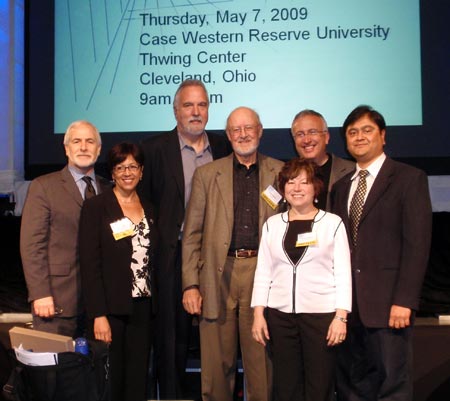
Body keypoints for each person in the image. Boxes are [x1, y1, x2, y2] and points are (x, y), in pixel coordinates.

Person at [182, 107, 284, 401]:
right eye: (236, 130)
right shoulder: (206, 175)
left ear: (260, 130)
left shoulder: (280, 172)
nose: (243, 134)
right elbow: (192, 235)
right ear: (228, 135)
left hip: (263, 277)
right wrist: (191, 284)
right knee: (216, 367)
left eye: (248, 128)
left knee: (261, 365)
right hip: (218, 273)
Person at [331, 105, 432, 400]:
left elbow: (417, 245)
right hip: (349, 309)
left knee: (392, 385)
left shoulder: (408, 178)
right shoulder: (340, 187)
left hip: (389, 306)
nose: (359, 137)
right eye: (352, 132)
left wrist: (405, 300)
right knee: (351, 384)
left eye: (367, 130)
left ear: (383, 136)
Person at [139, 79, 230, 399]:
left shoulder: (224, 147)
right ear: (176, 110)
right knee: (171, 338)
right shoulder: (153, 151)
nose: (196, 112)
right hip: (172, 256)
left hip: (218, 255)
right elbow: (144, 206)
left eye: (202, 105)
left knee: (220, 332)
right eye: (189, 105)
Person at [251, 158, 352, 401]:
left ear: (315, 188)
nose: (297, 188)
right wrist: (257, 315)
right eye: (291, 182)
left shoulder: (332, 224)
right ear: (283, 188)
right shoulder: (272, 225)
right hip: (280, 318)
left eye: (304, 182)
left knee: (319, 386)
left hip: (321, 318)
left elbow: (343, 273)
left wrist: (341, 317)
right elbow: (263, 271)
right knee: (286, 387)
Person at [79, 142, 157, 401]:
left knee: (137, 380)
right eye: (120, 167)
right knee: (112, 383)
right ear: (112, 172)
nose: (127, 172)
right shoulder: (96, 207)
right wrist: (98, 315)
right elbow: (90, 265)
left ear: (142, 171)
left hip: (143, 308)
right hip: (110, 310)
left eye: (133, 166)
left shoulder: (150, 207)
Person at [20, 120, 108, 338]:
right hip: (56, 302)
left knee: (94, 370)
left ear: (98, 149)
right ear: (66, 148)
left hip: (99, 306)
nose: (84, 147)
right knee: (55, 370)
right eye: (76, 141)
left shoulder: (108, 189)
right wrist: (40, 294)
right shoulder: (44, 187)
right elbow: (32, 246)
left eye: (90, 142)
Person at [291, 109, 354, 210]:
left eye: (312, 132)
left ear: (326, 137)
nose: (307, 140)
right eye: (300, 134)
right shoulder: (285, 174)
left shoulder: (352, 171)